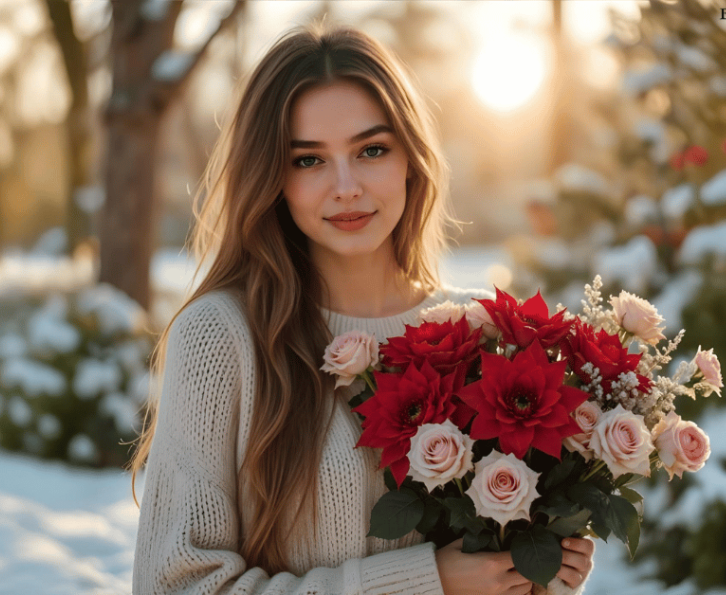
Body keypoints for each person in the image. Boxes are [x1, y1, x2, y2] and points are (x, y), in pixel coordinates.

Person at [128, 24, 595, 595]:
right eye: (308, 161)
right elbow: (174, 587)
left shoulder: (483, 333)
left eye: (371, 150)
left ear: (409, 160)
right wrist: (425, 583)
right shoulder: (221, 338)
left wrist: (543, 569)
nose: (346, 186)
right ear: (272, 178)